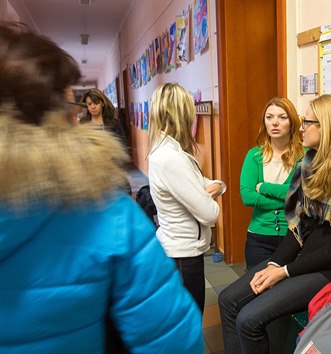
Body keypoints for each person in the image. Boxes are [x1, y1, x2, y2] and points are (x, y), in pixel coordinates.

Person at [0, 23, 203, 353]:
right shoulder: (110, 217)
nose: (83, 111)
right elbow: (172, 341)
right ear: (58, 114)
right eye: (74, 104)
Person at [219, 94, 331, 354]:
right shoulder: (309, 164)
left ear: (326, 126)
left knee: (248, 319)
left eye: (306, 122)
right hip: (304, 260)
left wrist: (285, 271)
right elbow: (297, 228)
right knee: (227, 300)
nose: (300, 127)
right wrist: (273, 264)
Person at [148, 82, 225, 314]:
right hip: (182, 255)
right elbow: (210, 213)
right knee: (188, 321)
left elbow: (211, 185)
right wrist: (209, 193)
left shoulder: (174, 152)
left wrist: (213, 188)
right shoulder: (171, 159)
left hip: (182, 251)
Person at [240, 97, 304, 268]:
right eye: (269, 117)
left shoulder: (304, 156)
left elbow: (302, 194)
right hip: (259, 238)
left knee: (287, 293)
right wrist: (287, 198)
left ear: (292, 122)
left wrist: (263, 187)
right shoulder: (254, 155)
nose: (275, 122)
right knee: (256, 288)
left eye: (282, 117)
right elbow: (247, 197)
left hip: (294, 237)